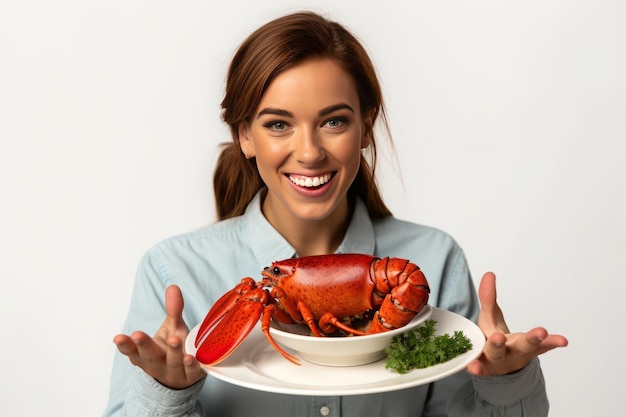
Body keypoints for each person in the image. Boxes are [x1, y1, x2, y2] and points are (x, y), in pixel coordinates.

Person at [103, 11, 568, 417]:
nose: (308, 152)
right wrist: (166, 393)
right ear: (245, 136)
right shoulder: (174, 270)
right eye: (278, 124)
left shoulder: (436, 257)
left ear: (366, 126)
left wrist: (506, 383)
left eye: (334, 121)